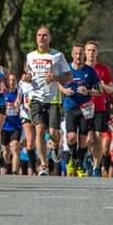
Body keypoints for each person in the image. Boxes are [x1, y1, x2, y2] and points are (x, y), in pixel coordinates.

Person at [24, 26, 71, 176]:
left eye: (45, 35)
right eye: (39, 35)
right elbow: (28, 75)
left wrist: (56, 78)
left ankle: (56, 145)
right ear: (36, 38)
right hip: (36, 97)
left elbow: (68, 76)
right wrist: (27, 78)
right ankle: (43, 165)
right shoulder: (30, 56)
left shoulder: (58, 56)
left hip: (53, 99)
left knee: (53, 133)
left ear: (49, 38)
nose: (41, 38)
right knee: (38, 130)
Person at [58, 44, 100, 177]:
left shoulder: (90, 71)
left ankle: (80, 165)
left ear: (84, 55)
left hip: (85, 108)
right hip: (70, 107)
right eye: (76, 53)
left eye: (80, 54)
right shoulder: (66, 69)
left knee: (83, 140)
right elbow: (58, 83)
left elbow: (99, 91)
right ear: (72, 54)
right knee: (71, 137)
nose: (78, 56)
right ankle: (74, 157)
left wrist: (87, 91)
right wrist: (65, 91)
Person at [83, 41, 113, 178]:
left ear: (97, 53)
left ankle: (96, 167)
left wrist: (103, 86)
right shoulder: (81, 68)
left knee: (99, 138)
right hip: (84, 107)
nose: (91, 53)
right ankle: (87, 155)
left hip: (100, 107)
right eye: (89, 50)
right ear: (85, 52)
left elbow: (110, 89)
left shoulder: (104, 69)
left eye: (93, 50)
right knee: (88, 139)